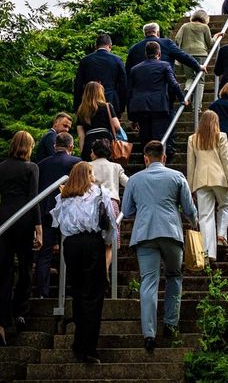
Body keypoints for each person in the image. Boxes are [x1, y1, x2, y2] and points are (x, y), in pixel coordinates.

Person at [121, 140, 198, 351]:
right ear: (164, 157)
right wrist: (193, 222)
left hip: (144, 234)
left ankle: (149, 334)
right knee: (174, 275)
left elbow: (126, 211)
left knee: (148, 282)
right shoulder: (177, 177)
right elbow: (189, 210)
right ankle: (171, 323)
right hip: (171, 233)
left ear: (146, 158)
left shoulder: (135, 180)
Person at [0, 131, 42, 346]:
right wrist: (39, 229)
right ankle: (20, 311)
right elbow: (35, 200)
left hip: (2, 219)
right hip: (23, 219)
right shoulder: (31, 168)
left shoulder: (0, 168)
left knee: (2, 270)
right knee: (25, 266)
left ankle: (0, 324)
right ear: (28, 147)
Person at [50, 161, 116, 364]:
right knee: (93, 296)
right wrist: (106, 243)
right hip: (91, 243)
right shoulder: (99, 193)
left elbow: (57, 222)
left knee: (78, 292)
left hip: (71, 245)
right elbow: (111, 222)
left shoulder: (64, 196)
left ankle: (79, 344)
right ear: (88, 175)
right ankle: (88, 348)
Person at [125, 22, 205, 159]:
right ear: (157, 32)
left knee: (146, 133)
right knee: (164, 127)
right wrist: (198, 66)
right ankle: (166, 150)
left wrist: (130, 113)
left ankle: (148, 158)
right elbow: (182, 56)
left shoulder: (134, 50)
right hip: (163, 98)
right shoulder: (166, 44)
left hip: (140, 103)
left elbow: (128, 83)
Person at [35, 132, 81, 299]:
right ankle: (70, 289)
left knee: (44, 254)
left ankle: (42, 292)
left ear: (55, 146)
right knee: (69, 251)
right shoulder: (77, 163)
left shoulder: (41, 164)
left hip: (46, 211)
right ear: (71, 147)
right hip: (69, 212)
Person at [187, 110, 228, 262]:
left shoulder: (192, 139)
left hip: (201, 180)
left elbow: (190, 164)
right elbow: (226, 160)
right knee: (226, 206)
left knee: (205, 217)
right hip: (219, 177)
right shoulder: (221, 136)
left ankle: (208, 253)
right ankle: (221, 234)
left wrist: (190, 186)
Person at [127, 41, 187, 156]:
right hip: (158, 107)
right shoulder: (165, 65)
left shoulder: (135, 69)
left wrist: (132, 117)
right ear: (159, 53)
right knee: (159, 137)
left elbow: (129, 92)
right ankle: (158, 161)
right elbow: (173, 84)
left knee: (145, 137)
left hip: (140, 107)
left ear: (146, 53)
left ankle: (147, 162)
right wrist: (182, 99)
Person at [90, 138, 129, 281]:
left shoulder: (87, 165)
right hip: (112, 204)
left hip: (92, 204)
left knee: (94, 238)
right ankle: (105, 268)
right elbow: (128, 183)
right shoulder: (115, 167)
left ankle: (95, 271)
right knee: (110, 242)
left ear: (94, 151)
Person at [175, 9, 217, 119]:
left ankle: (186, 90)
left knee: (190, 77)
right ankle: (197, 107)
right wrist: (216, 37)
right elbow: (210, 43)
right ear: (205, 18)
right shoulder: (205, 27)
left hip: (186, 55)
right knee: (200, 80)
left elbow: (177, 39)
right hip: (201, 55)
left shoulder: (185, 26)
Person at [73, 33, 127, 118]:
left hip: (89, 103)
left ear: (96, 46)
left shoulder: (85, 61)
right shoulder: (117, 60)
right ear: (110, 46)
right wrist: (121, 107)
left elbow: (78, 85)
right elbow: (123, 84)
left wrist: (77, 107)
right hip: (111, 101)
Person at [76, 81, 121, 161]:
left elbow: (81, 136)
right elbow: (117, 126)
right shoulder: (107, 106)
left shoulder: (81, 110)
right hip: (106, 142)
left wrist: (83, 152)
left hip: (89, 142)